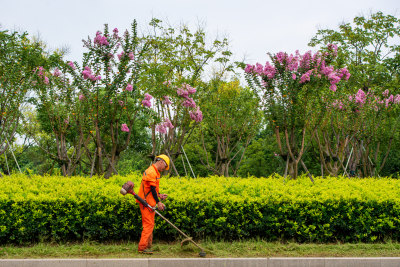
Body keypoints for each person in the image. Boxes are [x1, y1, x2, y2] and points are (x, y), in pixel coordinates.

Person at [137, 154, 170, 254]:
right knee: (148, 225)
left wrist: (159, 195)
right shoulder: (151, 172)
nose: (164, 169)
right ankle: (142, 248)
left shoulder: (155, 172)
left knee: (150, 224)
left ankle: (148, 245)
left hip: (149, 202)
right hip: (146, 202)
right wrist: (159, 202)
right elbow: (151, 188)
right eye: (165, 167)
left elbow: (152, 189)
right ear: (161, 162)